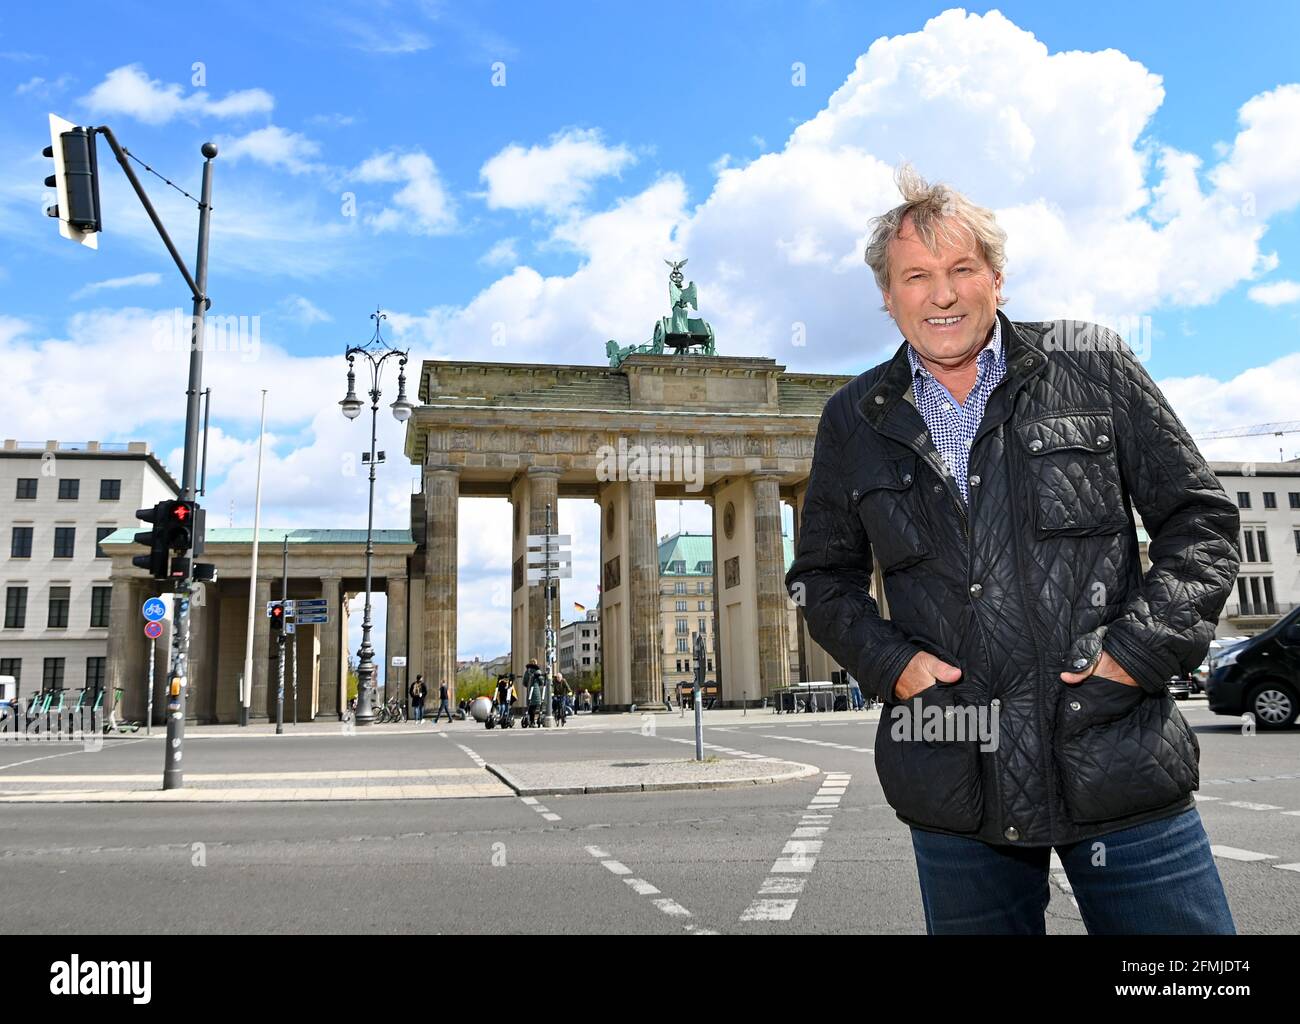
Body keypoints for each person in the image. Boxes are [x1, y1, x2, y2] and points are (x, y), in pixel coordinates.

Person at [786, 165, 1240, 936]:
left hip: (1114, 750)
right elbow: (821, 580)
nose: (943, 294)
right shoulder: (852, 418)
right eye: (917, 277)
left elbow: (1200, 520)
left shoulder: (1092, 362)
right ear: (888, 297)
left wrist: (1134, 655)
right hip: (955, 766)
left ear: (996, 276)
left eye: (963, 269)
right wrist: (893, 668)